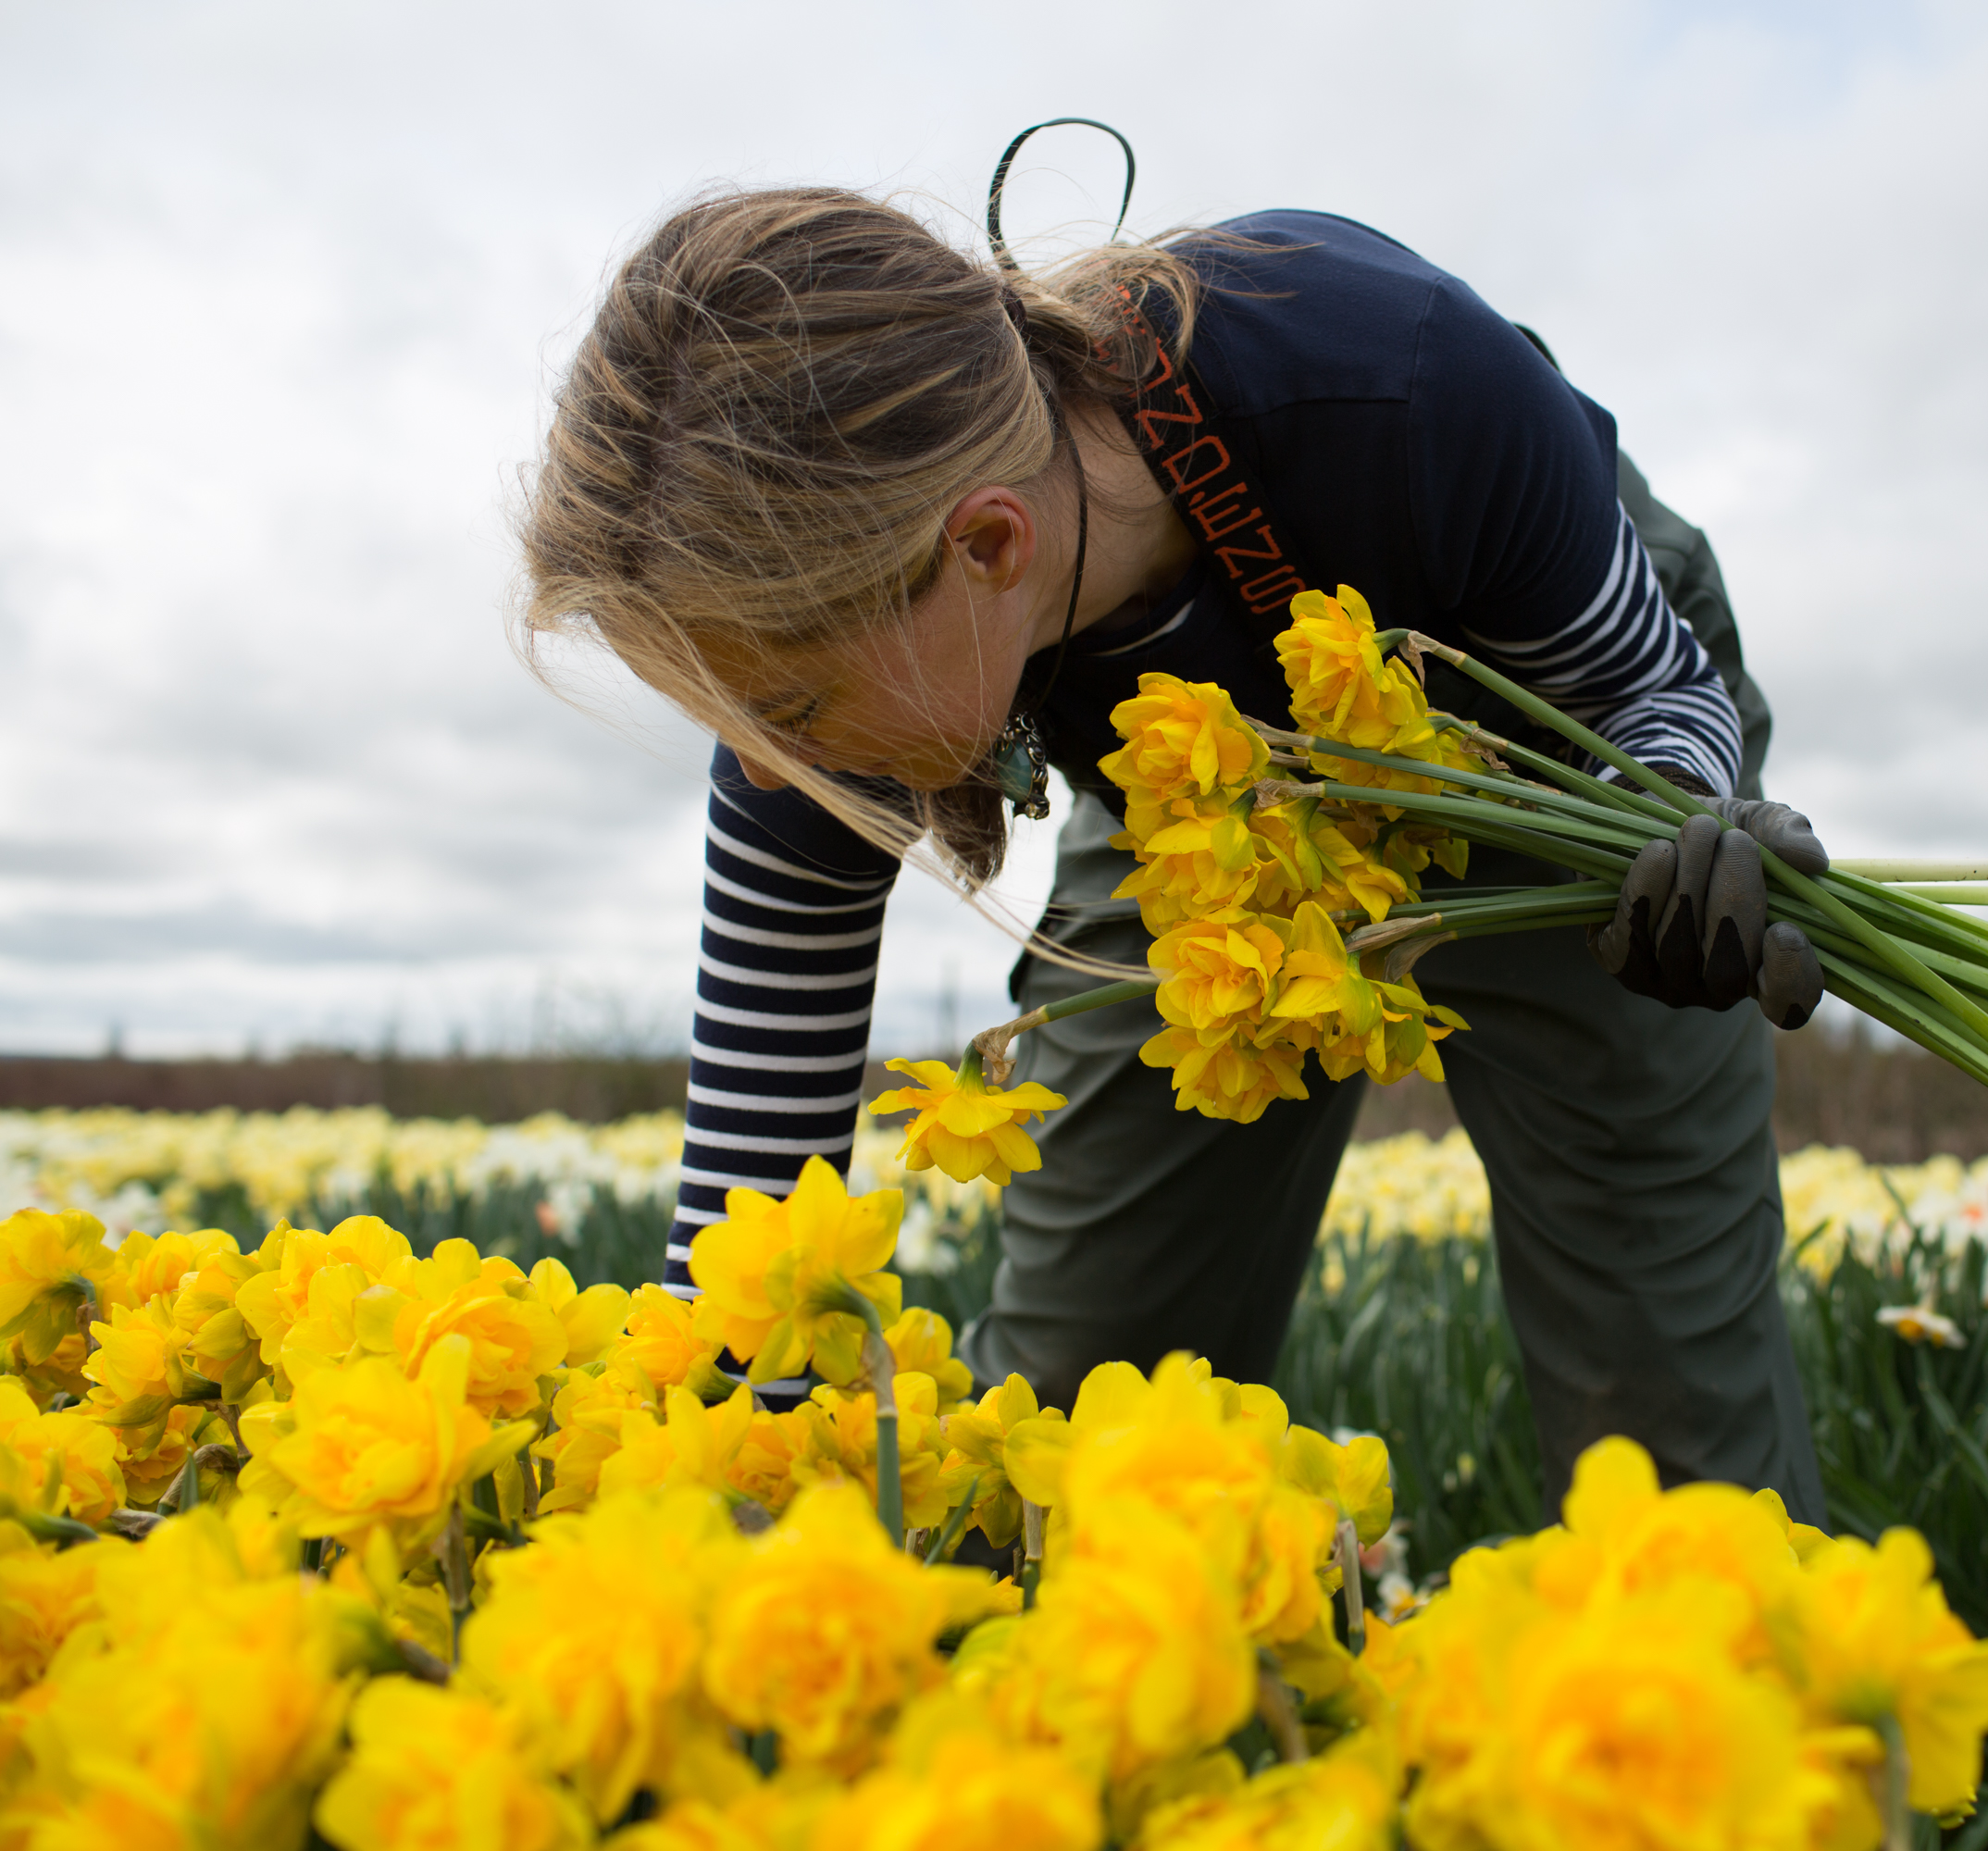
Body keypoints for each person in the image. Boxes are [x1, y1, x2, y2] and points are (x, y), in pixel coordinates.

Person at [518, 180, 1831, 1515]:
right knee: (1070, 1423)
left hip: (1559, 763)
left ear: (986, 545)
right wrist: (692, 1514)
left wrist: (1683, 827)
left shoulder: (1403, 387)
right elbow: (745, 1244)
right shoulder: (807, 663)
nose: (757, 769)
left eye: (784, 711)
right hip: (1202, 807)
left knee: (1668, 1415)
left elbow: (1658, 702)